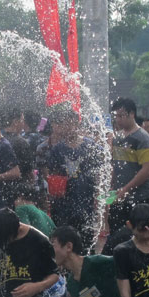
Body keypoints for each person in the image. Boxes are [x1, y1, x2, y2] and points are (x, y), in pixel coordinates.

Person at [45, 106, 100, 248]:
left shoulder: (90, 146)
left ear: (77, 123)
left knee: (85, 241)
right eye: (64, 123)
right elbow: (51, 174)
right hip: (63, 204)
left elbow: (99, 175)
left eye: (70, 123)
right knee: (64, 240)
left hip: (85, 201)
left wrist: (98, 198)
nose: (67, 127)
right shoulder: (57, 149)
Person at [108, 97, 149, 235]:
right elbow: (115, 165)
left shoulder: (142, 137)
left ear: (132, 114)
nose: (118, 119)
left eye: (121, 116)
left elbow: (147, 169)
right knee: (116, 232)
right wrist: (112, 186)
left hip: (141, 197)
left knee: (140, 234)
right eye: (116, 116)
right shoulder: (117, 137)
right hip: (120, 195)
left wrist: (125, 189)